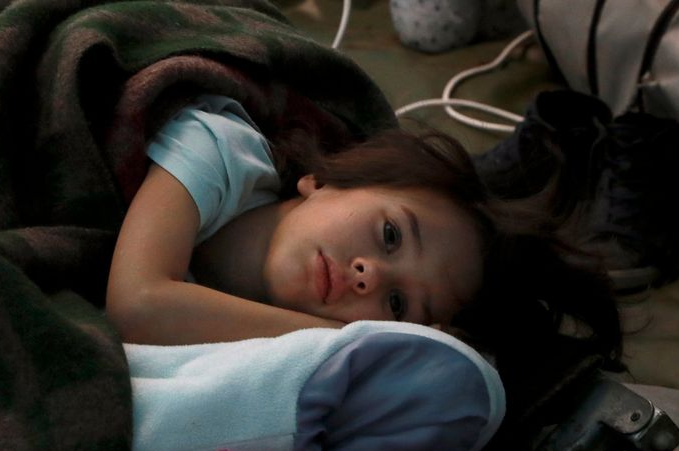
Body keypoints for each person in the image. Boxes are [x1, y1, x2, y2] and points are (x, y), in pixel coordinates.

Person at [105, 95, 622, 379]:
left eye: (397, 304)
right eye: (391, 234)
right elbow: (138, 306)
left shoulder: (254, 352)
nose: (368, 275)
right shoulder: (222, 149)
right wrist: (359, 339)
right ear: (326, 179)